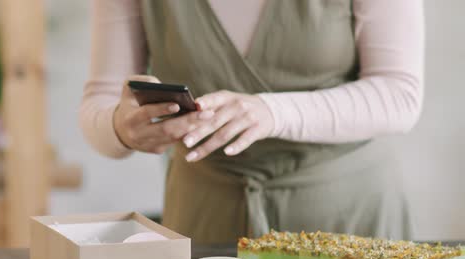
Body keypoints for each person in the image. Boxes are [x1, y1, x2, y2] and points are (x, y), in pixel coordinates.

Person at [79, 0, 424, 244]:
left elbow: (400, 95)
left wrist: (273, 112)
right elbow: (101, 100)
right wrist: (120, 128)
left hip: (347, 220)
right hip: (204, 218)